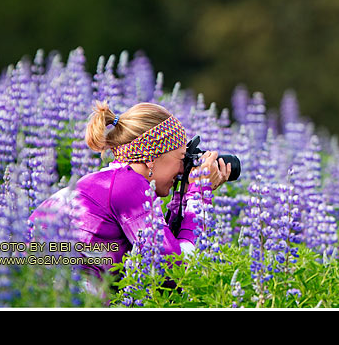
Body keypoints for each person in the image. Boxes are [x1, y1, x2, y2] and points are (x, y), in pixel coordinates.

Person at [28, 100, 231, 298]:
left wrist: (185, 195)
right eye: (181, 159)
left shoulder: (112, 180)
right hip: (56, 292)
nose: (182, 170)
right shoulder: (129, 185)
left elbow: (164, 253)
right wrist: (200, 192)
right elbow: (178, 270)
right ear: (152, 157)